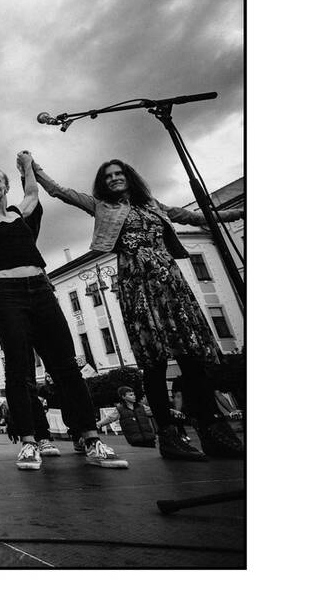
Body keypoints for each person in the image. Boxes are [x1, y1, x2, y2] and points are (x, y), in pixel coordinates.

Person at [33, 157, 246, 461]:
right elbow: (61, 192)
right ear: (103, 184)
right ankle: (169, 436)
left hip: (171, 283)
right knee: (155, 361)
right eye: (109, 176)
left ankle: (213, 428)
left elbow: (194, 217)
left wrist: (236, 213)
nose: (115, 178)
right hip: (138, 283)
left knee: (192, 358)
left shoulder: (153, 205)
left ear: (130, 176)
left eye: (119, 173)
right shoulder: (101, 206)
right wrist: (34, 169)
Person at [0, 144, 125, 470]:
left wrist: (27, 165)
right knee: (17, 369)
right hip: (7, 294)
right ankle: (29, 442)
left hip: (41, 290)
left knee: (66, 365)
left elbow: (32, 190)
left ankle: (90, 437)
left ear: (6, 186)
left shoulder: (21, 211)